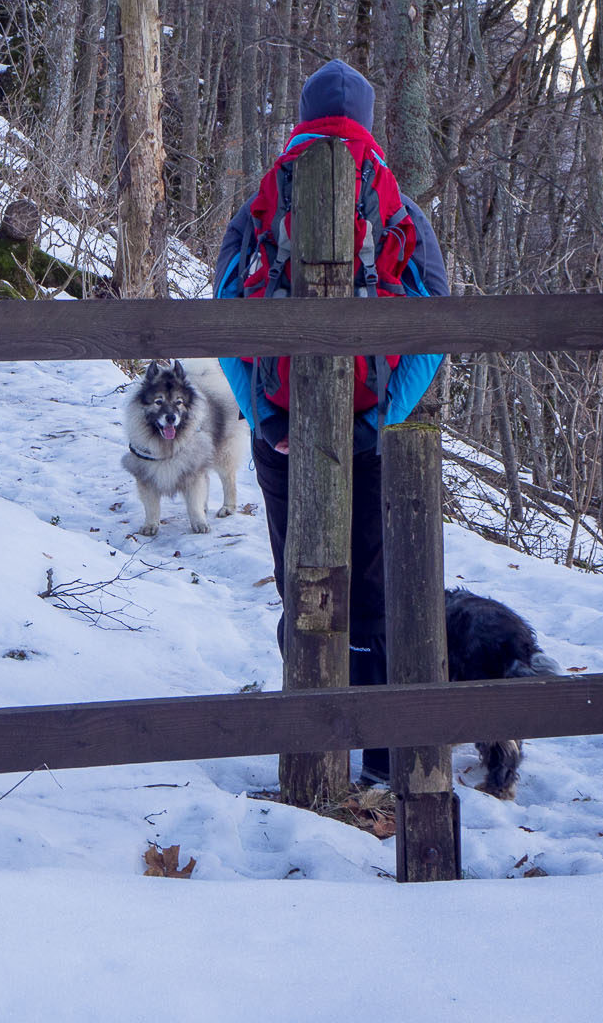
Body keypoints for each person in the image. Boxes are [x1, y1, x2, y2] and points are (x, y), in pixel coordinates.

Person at [214, 59, 450, 784]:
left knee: (303, 582)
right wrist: (379, 418)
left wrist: (263, 415)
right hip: (370, 437)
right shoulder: (397, 207)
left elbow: (224, 312)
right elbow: (433, 323)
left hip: (282, 433)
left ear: (302, 115)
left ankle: (312, 750)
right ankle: (379, 756)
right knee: (374, 590)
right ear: (371, 124)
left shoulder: (262, 202)